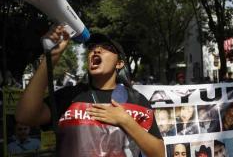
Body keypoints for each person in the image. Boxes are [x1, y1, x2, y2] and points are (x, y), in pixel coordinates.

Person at [15, 27, 164, 156]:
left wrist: (125, 121)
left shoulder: (138, 101)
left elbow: (159, 153)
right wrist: (52, 56)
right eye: (92, 47)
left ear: (119, 64)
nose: (96, 50)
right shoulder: (69, 97)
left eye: (107, 48)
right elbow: (24, 116)